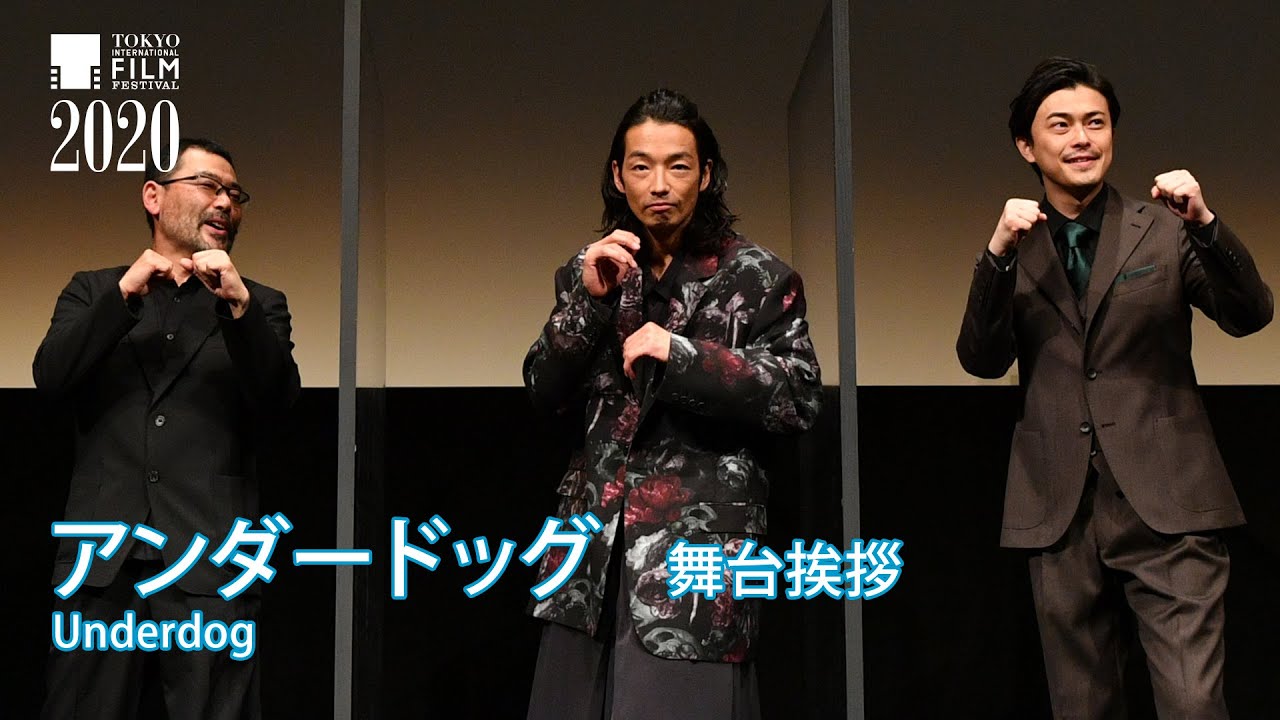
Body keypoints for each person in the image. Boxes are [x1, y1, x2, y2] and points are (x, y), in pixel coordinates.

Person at [957, 57, 1272, 718]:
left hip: (1170, 503)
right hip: (1061, 509)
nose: (1082, 138)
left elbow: (1249, 314)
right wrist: (995, 255)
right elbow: (981, 359)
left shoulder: (1163, 227)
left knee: (1193, 703)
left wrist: (1206, 223)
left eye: (1095, 123)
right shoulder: (1018, 246)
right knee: (1083, 707)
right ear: (1026, 146)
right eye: (1061, 125)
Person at [522, 89, 822, 719]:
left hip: (695, 560)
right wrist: (588, 303)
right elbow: (542, 388)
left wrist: (683, 356)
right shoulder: (590, 269)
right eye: (641, 166)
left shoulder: (759, 277)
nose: (659, 184)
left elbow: (798, 396)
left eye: (678, 165)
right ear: (618, 175)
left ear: (705, 174)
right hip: (588, 560)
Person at [34, 138, 301, 720]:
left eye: (236, 194)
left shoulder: (259, 304)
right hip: (102, 564)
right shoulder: (93, 290)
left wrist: (239, 306)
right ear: (154, 196)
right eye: (209, 186)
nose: (225, 203)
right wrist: (123, 294)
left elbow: (278, 402)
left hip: (210, 561)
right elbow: (51, 379)